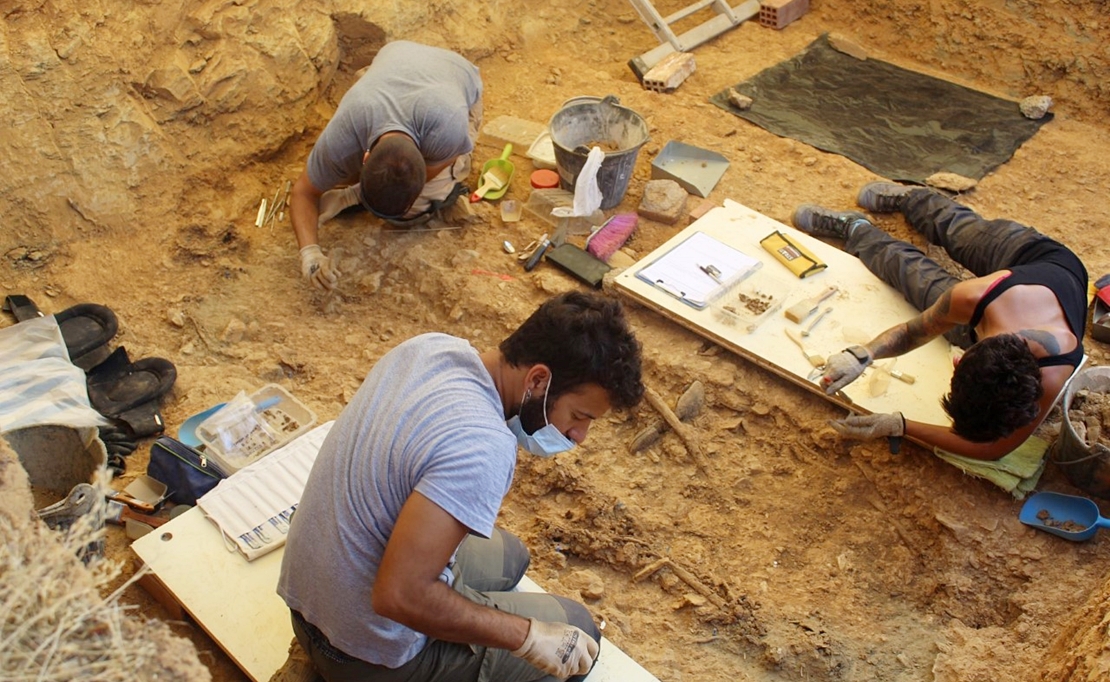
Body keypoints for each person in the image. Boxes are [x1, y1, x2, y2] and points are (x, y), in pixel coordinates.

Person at [277, 291, 644, 681]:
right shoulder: (483, 447)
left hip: (309, 601)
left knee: (511, 555)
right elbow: (398, 596)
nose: (579, 435)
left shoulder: (431, 348)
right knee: (577, 631)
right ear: (538, 380)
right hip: (359, 654)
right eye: (579, 415)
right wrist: (527, 636)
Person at [791, 182, 1087, 460]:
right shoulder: (972, 297)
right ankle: (910, 200)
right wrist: (863, 354)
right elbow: (911, 331)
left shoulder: (1053, 373)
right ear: (960, 359)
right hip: (1030, 258)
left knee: (934, 268)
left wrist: (899, 425)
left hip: (1035, 281)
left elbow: (995, 448)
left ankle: (859, 230)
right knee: (960, 235)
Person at [291, 41, 483, 291]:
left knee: (417, 208)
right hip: (397, 63)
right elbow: (302, 192)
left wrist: (353, 193)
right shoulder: (345, 133)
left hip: (456, 74)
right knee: (348, 153)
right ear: (364, 157)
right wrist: (310, 255)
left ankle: (362, 194)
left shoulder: (447, 129)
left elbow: (445, 158)